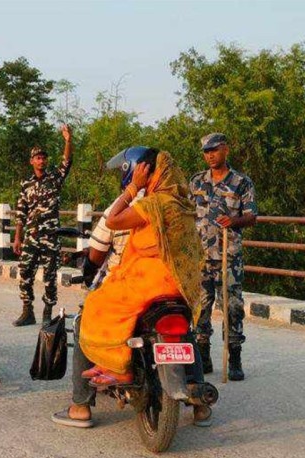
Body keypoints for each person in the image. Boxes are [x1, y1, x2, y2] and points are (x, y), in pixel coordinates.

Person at [54, 149, 210, 428]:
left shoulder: (148, 204)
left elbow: (109, 228)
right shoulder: (184, 205)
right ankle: (200, 407)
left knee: (92, 309)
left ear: (139, 172)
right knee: (185, 332)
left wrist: (132, 189)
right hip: (177, 285)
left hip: (147, 281)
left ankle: (85, 401)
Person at [188, 133, 257, 381]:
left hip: (228, 255)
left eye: (214, 150)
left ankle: (234, 358)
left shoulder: (241, 182)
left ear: (225, 149)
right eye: (206, 152)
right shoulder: (196, 181)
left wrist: (234, 221)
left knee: (232, 307)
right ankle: (203, 357)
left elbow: (251, 216)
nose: (210, 155)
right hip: (200, 257)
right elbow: (187, 213)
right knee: (200, 308)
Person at [12, 124, 74, 327]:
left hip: (50, 236)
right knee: (24, 272)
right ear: (32, 161)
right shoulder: (26, 184)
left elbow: (66, 162)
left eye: (44, 158)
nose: (42, 160)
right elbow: (21, 212)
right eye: (38, 158)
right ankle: (27, 311)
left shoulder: (54, 179)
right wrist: (17, 237)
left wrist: (68, 140)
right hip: (31, 236)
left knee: (49, 275)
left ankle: (48, 312)